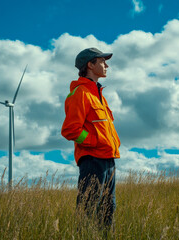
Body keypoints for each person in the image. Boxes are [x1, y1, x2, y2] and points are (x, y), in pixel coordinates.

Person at [61, 47, 121, 229]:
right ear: (90, 64)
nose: (106, 65)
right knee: (88, 209)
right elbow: (71, 130)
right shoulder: (80, 93)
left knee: (108, 209)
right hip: (93, 160)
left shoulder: (98, 96)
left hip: (108, 159)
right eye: (102, 61)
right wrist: (95, 142)